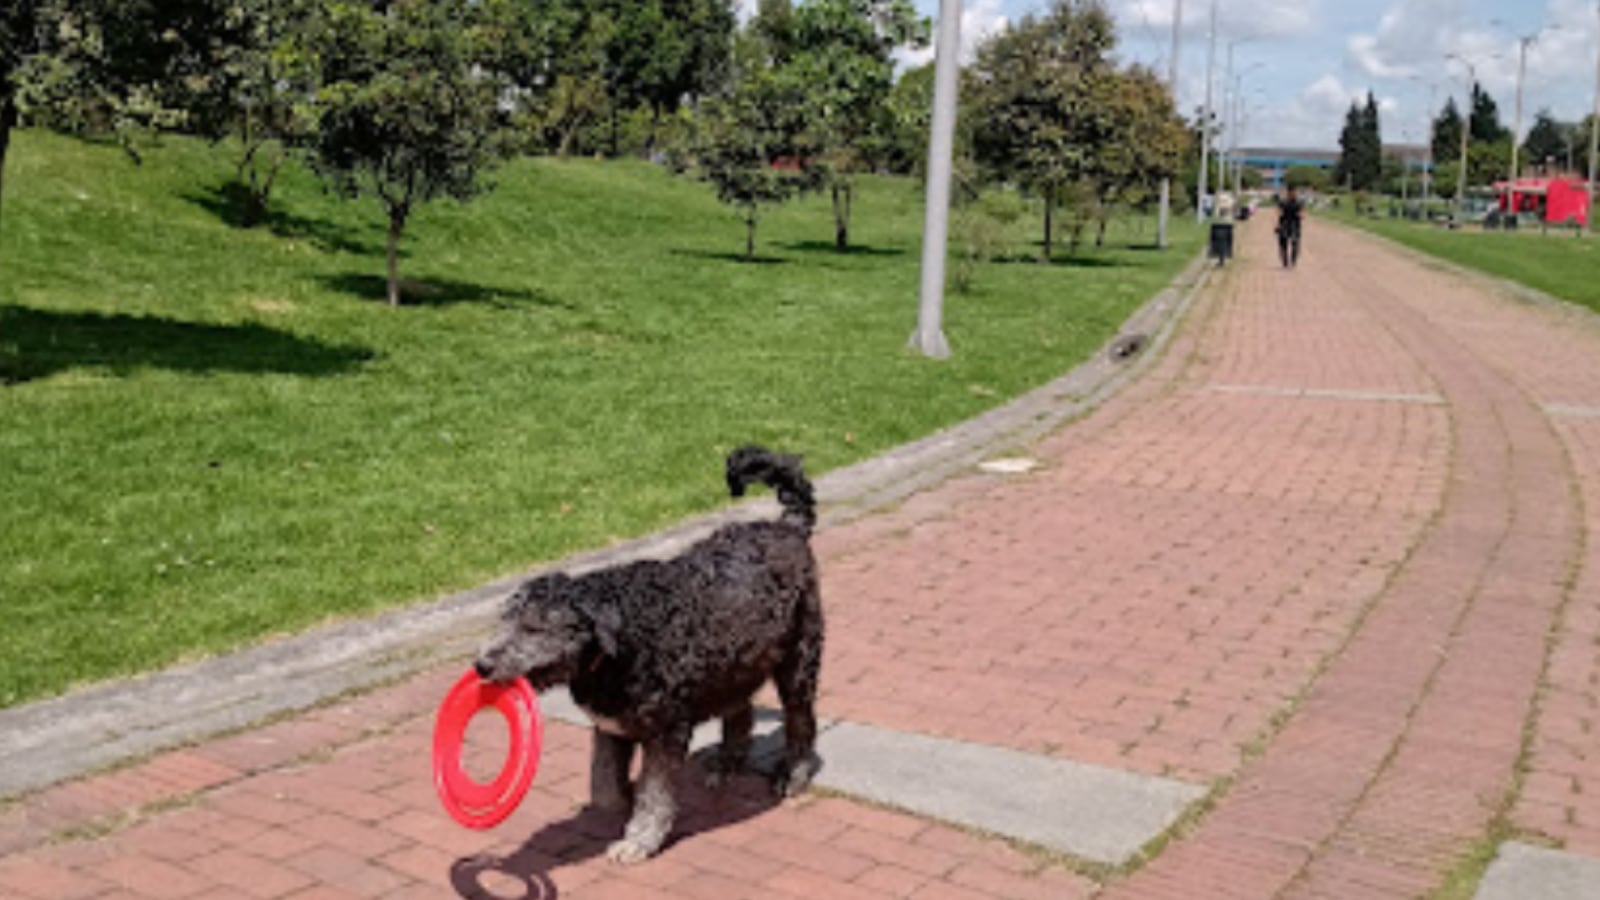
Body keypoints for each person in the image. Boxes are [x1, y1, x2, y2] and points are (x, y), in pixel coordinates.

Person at [1276, 186, 1304, 268]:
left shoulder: (1299, 202)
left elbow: (1302, 212)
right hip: (1284, 223)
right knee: (1283, 244)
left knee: (1295, 243)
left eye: (1295, 192)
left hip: (1295, 224)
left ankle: (1293, 260)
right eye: (1292, 192)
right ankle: (1285, 260)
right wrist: (1277, 224)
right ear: (1288, 193)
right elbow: (1278, 212)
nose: (1293, 194)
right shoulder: (1283, 202)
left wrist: (1300, 215)